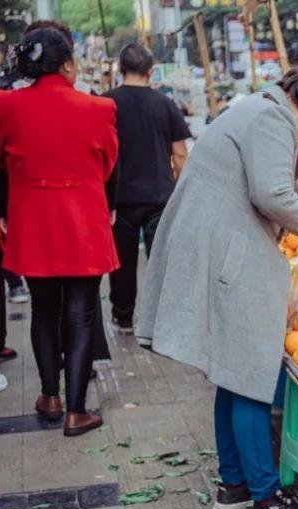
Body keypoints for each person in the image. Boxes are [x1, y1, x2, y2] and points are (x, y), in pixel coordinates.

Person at [137, 63, 298, 509]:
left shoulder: (260, 109)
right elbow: (271, 191)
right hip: (228, 251)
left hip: (219, 244)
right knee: (252, 371)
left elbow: (271, 184)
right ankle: (266, 499)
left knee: (232, 371)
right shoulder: (273, 119)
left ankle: (233, 485)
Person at [0, 27, 119, 435]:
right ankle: (76, 410)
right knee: (82, 313)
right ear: (68, 64)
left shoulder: (7, 106)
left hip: (32, 221)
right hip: (82, 220)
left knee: (43, 308)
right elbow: (106, 164)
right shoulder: (98, 108)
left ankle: (49, 395)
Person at [104, 43, 192, 334]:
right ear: (150, 71)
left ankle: (123, 316)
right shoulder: (164, 104)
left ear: (120, 68)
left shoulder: (106, 104)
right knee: (161, 260)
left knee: (123, 261)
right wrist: (184, 191)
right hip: (160, 195)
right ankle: (161, 319)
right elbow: (180, 153)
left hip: (120, 197)